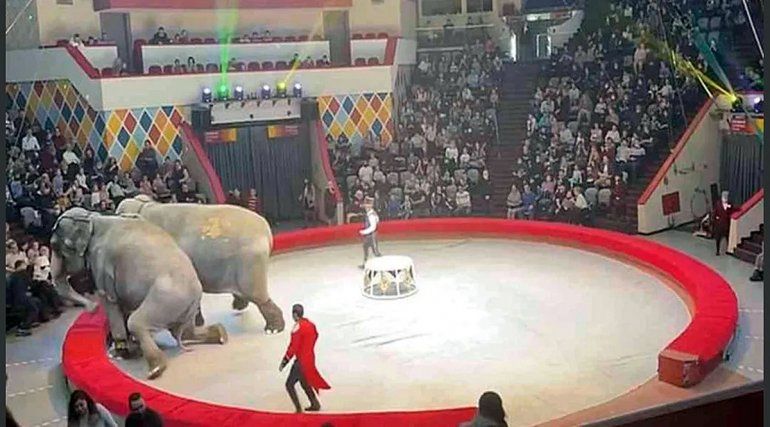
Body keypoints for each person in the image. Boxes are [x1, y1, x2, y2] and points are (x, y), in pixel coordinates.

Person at [280, 304, 330, 413]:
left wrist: (284, 362)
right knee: (304, 382)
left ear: (295, 314)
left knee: (289, 385)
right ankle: (315, 403)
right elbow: (316, 335)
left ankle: (298, 409)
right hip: (310, 359)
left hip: (301, 362)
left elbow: (292, 348)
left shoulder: (297, 328)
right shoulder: (310, 325)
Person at [359, 197, 381, 267]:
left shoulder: (371, 215)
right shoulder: (371, 214)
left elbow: (373, 227)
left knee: (375, 251)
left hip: (372, 235)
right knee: (365, 247)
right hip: (369, 235)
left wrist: (364, 232)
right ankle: (365, 263)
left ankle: (382, 265)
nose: (365, 208)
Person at [713, 191, 734, 256]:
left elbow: (732, 211)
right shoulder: (718, 204)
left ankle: (728, 250)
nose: (726, 196)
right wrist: (715, 221)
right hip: (719, 225)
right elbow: (715, 213)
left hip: (727, 224)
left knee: (728, 238)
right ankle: (717, 250)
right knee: (718, 239)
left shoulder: (730, 203)